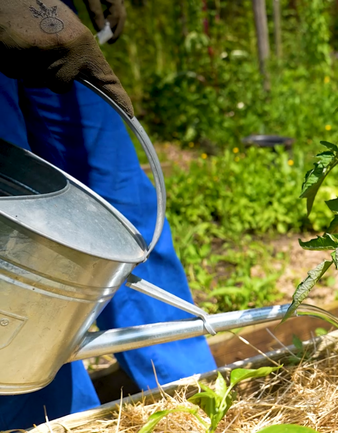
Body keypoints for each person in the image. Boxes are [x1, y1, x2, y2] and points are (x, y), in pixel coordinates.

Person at [0, 0, 217, 429]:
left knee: (119, 204)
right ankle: (45, 417)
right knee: (12, 236)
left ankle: (187, 389)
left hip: (50, 15)